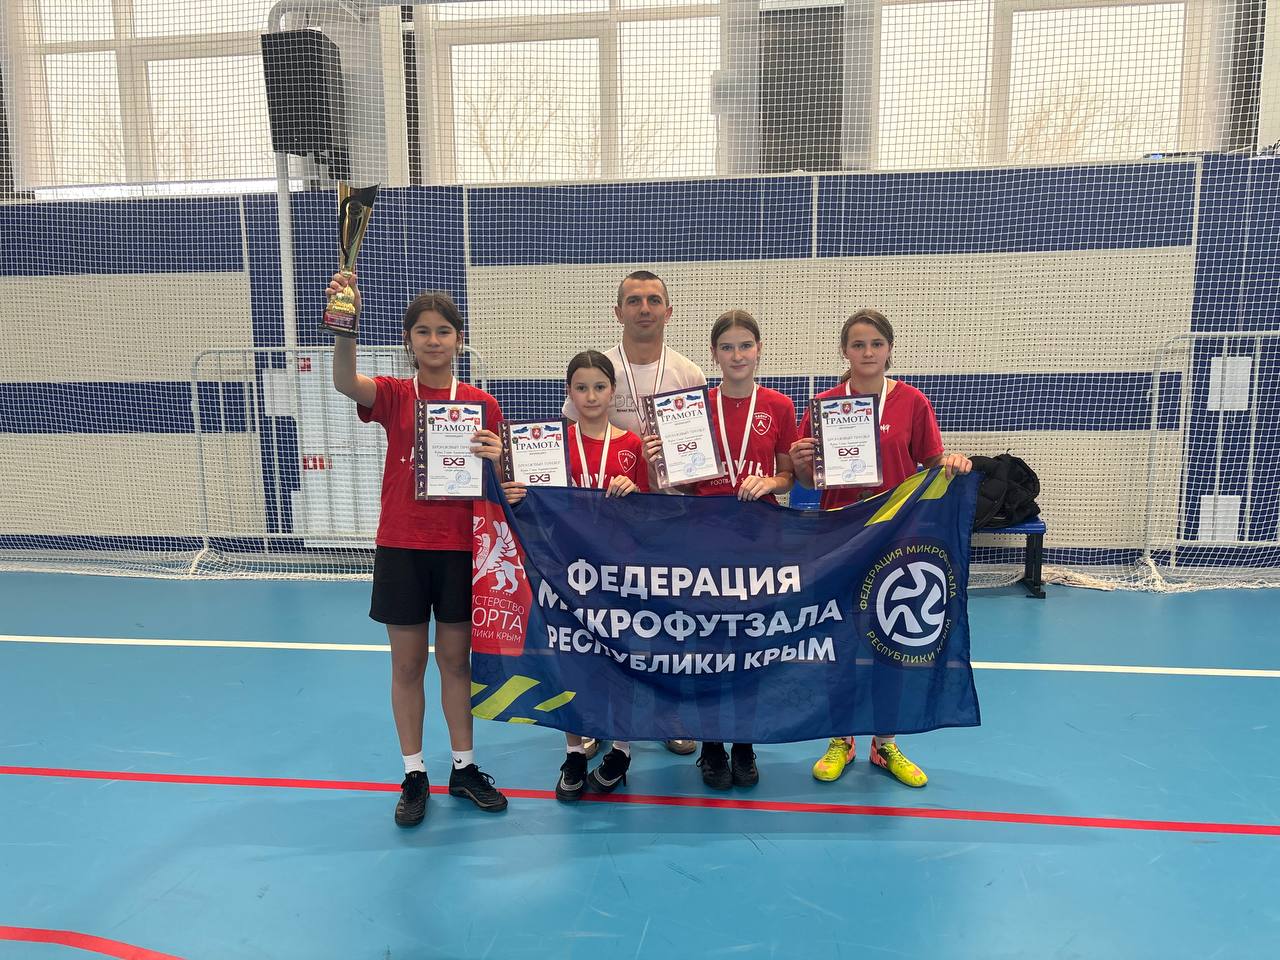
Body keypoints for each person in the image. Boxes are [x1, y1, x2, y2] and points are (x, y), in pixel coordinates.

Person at [327, 272, 509, 826]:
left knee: (456, 661)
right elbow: (344, 381)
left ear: (459, 339)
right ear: (409, 339)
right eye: (423, 331)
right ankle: (413, 773)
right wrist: (345, 327)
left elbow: (503, 477)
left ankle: (464, 767)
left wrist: (497, 455)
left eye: (443, 331)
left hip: (460, 548)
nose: (434, 340)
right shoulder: (394, 394)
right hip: (402, 546)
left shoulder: (482, 403)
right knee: (407, 665)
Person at [789, 309, 972, 789]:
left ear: (889, 349)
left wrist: (951, 461)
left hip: (895, 541)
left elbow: (931, 462)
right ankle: (840, 738)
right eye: (858, 344)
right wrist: (803, 463)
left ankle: (885, 742)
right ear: (844, 351)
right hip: (838, 538)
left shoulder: (912, 402)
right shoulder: (824, 405)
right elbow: (807, 480)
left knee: (891, 641)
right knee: (839, 640)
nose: (867, 352)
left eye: (875, 344)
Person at [642, 309, 797, 789]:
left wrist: (770, 481)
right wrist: (657, 464)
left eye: (745, 345)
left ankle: (745, 744)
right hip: (704, 537)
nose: (737, 355)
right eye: (727, 347)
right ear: (714, 354)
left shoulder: (779, 405)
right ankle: (711, 746)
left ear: (759, 349)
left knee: (750, 644)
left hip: (759, 538)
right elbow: (677, 486)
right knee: (707, 643)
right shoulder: (692, 408)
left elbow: (790, 476)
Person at [563, 270, 706, 758]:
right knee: (602, 626)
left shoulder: (689, 373)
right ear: (618, 311)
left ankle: (670, 716)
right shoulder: (601, 370)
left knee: (670, 625)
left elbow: (700, 449)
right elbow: (570, 445)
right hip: (605, 534)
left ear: (669, 311)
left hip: (672, 519)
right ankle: (596, 717)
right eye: (634, 300)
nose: (644, 308)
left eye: (653, 300)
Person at [505, 350, 647, 800]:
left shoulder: (632, 445)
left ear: (613, 392)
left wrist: (636, 490)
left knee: (620, 659)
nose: (591, 396)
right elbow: (529, 505)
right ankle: (572, 752)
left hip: (617, 572)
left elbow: (651, 513)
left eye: (599, 387)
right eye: (581, 388)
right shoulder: (548, 444)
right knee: (567, 658)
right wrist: (515, 494)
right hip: (562, 570)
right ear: (569, 392)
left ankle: (621, 749)